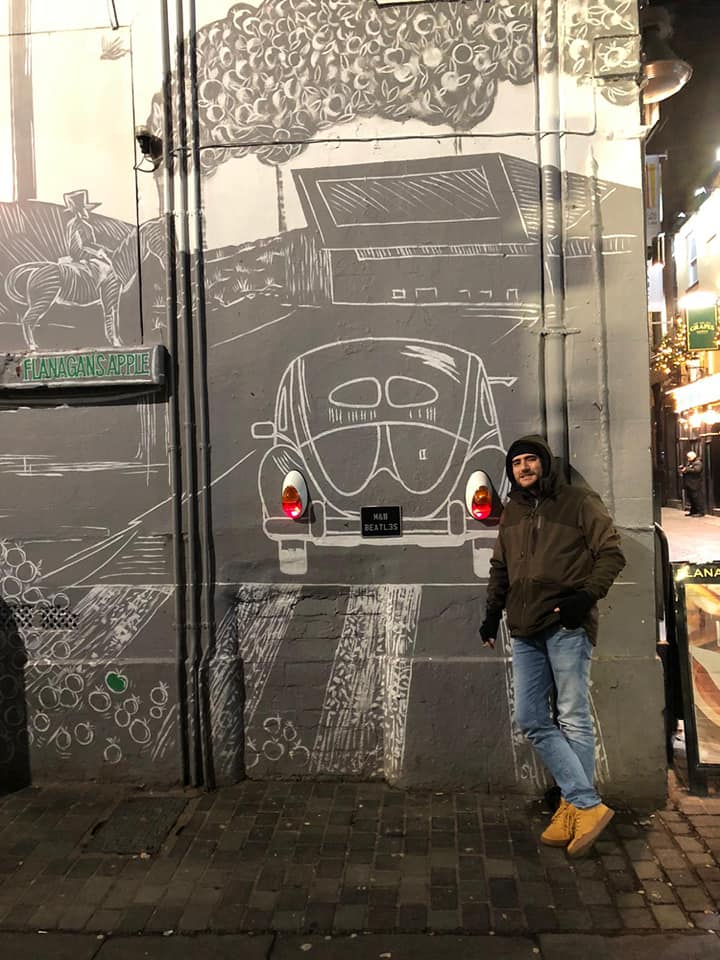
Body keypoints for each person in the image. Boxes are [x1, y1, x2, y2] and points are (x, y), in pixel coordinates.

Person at [479, 435, 625, 858]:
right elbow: (500, 568)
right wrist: (491, 614)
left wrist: (585, 597)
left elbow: (612, 554)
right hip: (525, 628)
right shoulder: (513, 512)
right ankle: (584, 803)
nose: (524, 468)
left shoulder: (578, 502)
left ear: (544, 464)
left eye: (531, 460)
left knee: (573, 717)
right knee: (531, 717)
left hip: (566, 624)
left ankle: (574, 806)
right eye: (517, 463)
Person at [678, 450, 705, 517]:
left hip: (695, 483)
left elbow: (697, 470)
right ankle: (693, 511)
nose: (688, 459)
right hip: (689, 483)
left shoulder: (698, 462)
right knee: (691, 498)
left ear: (693, 457)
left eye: (689, 457)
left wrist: (686, 469)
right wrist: (683, 468)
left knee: (697, 498)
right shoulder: (690, 463)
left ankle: (700, 512)